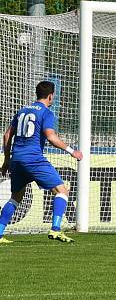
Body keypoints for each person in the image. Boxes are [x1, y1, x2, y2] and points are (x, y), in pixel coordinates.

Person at [0, 81, 83, 244]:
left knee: (16, 197)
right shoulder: (46, 113)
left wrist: (7, 159)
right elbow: (51, 137)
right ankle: (56, 229)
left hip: (16, 159)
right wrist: (73, 151)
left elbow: (6, 135)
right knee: (62, 191)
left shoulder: (22, 111)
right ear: (51, 96)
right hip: (34, 159)